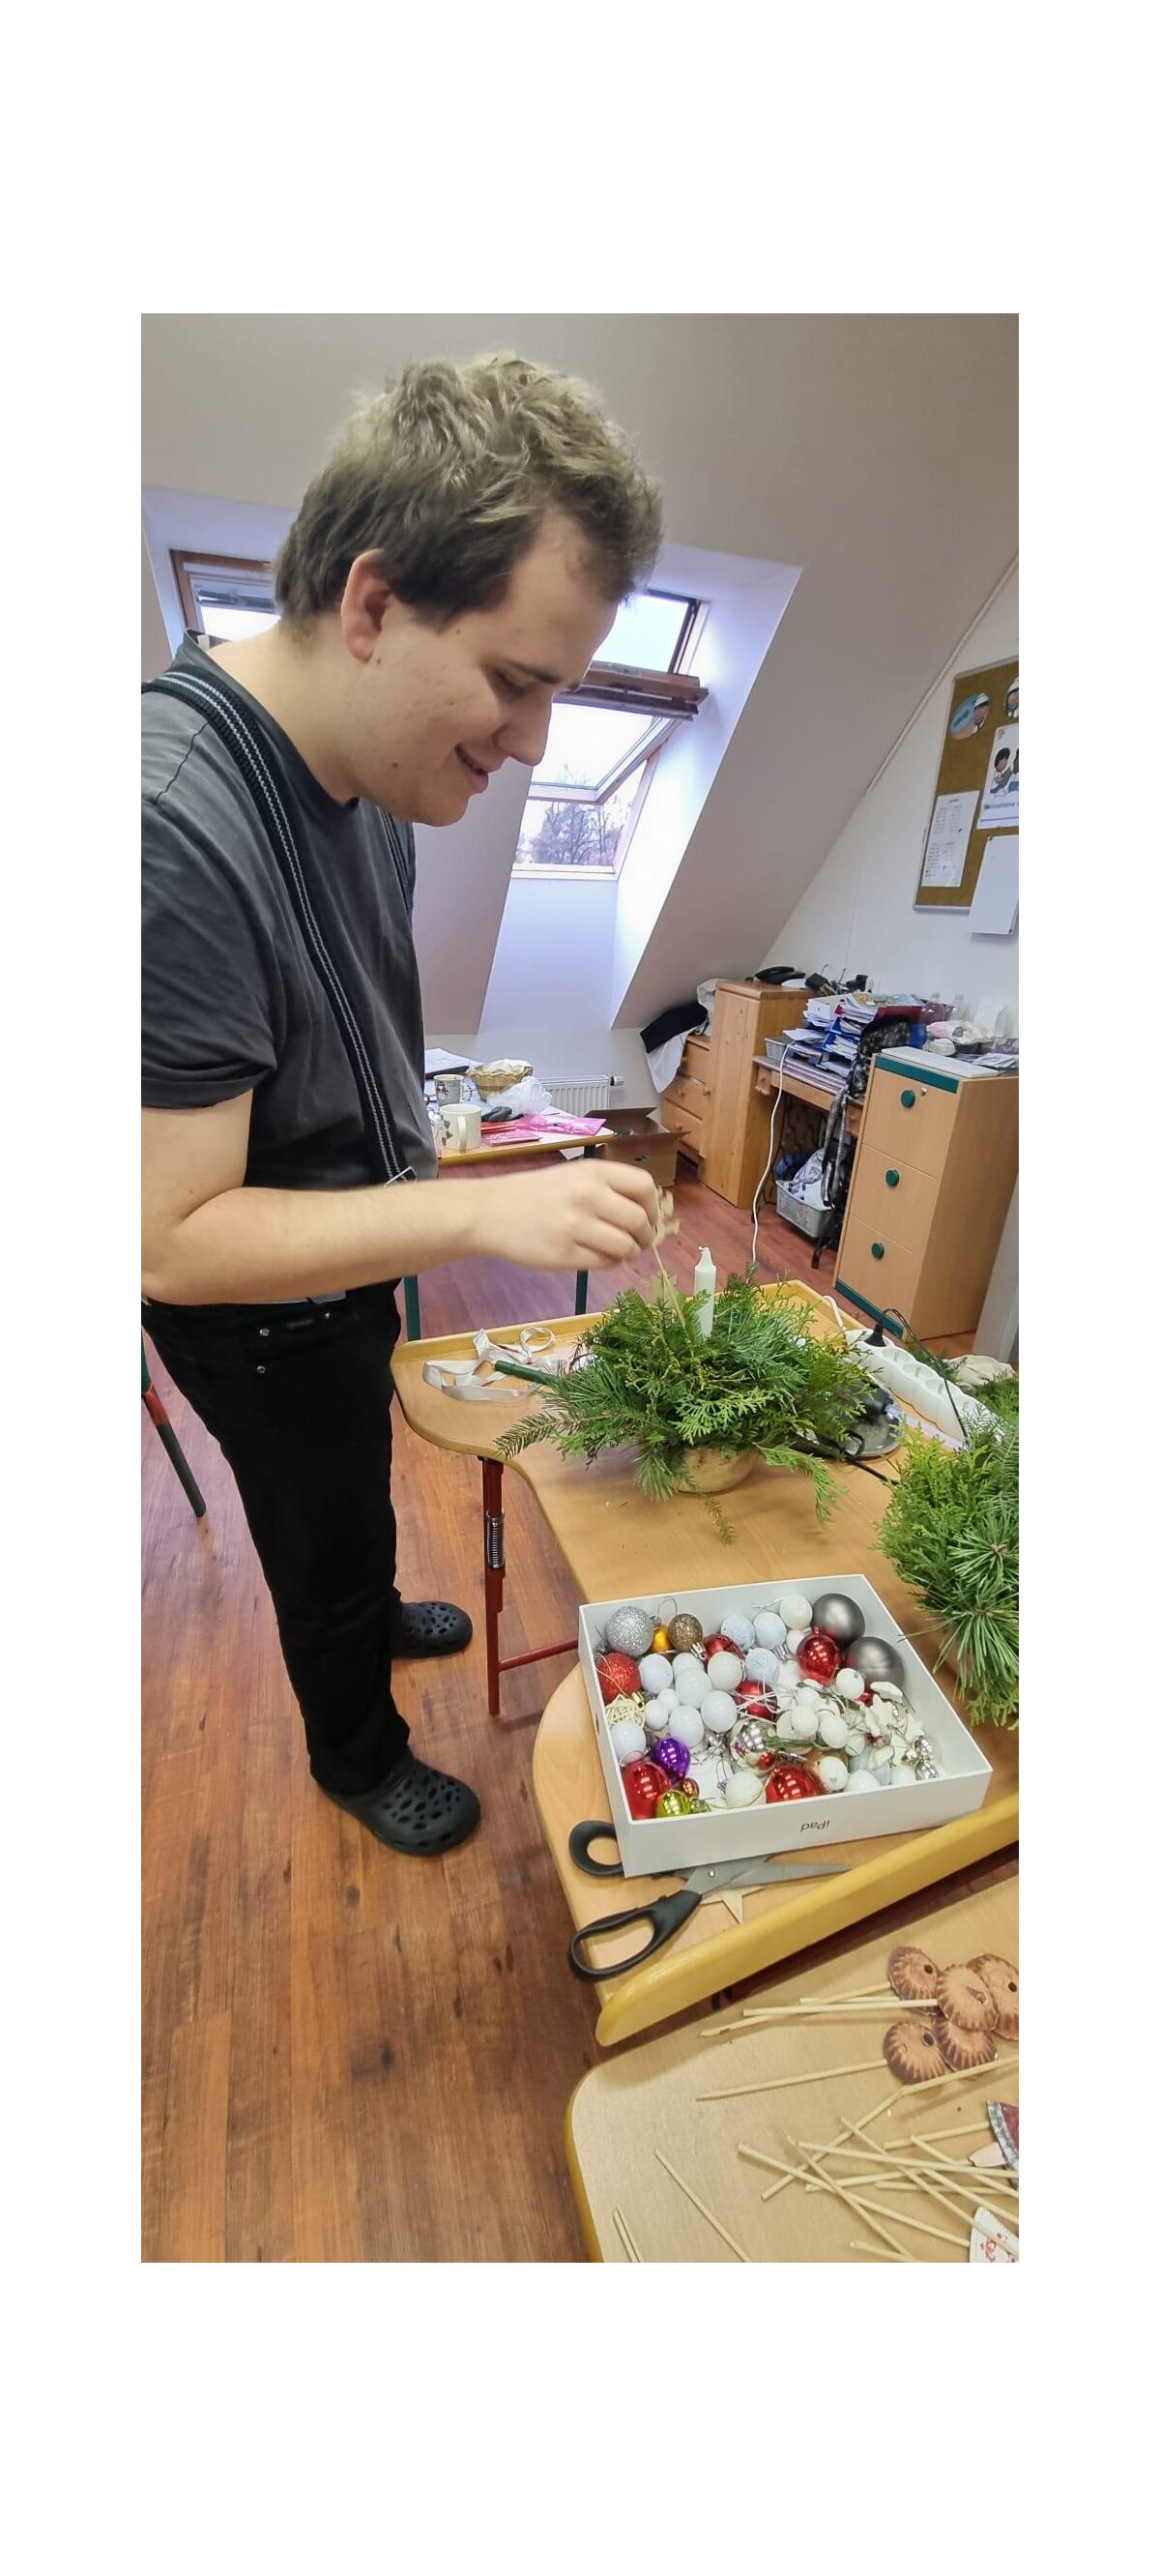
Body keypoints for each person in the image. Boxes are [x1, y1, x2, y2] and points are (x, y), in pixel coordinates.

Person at [142, 353, 664, 1859]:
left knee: (357, 1479)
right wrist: (481, 1214)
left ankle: (372, 1603)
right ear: (371, 604)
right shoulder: (166, 825)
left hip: (351, 1258)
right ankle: (356, 1755)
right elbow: (169, 1240)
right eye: (516, 680)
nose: (535, 743)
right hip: (255, 1313)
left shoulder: (378, 772)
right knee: (311, 1526)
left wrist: (443, 1154)